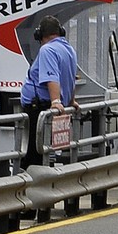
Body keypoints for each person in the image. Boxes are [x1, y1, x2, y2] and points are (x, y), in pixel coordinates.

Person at [19, 15, 79, 170]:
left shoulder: (47, 50)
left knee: (34, 154)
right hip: (50, 107)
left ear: (40, 35)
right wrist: (70, 100)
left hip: (39, 109)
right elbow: (71, 77)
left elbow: (52, 78)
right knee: (45, 152)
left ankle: (32, 188)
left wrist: (55, 102)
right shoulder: (68, 49)